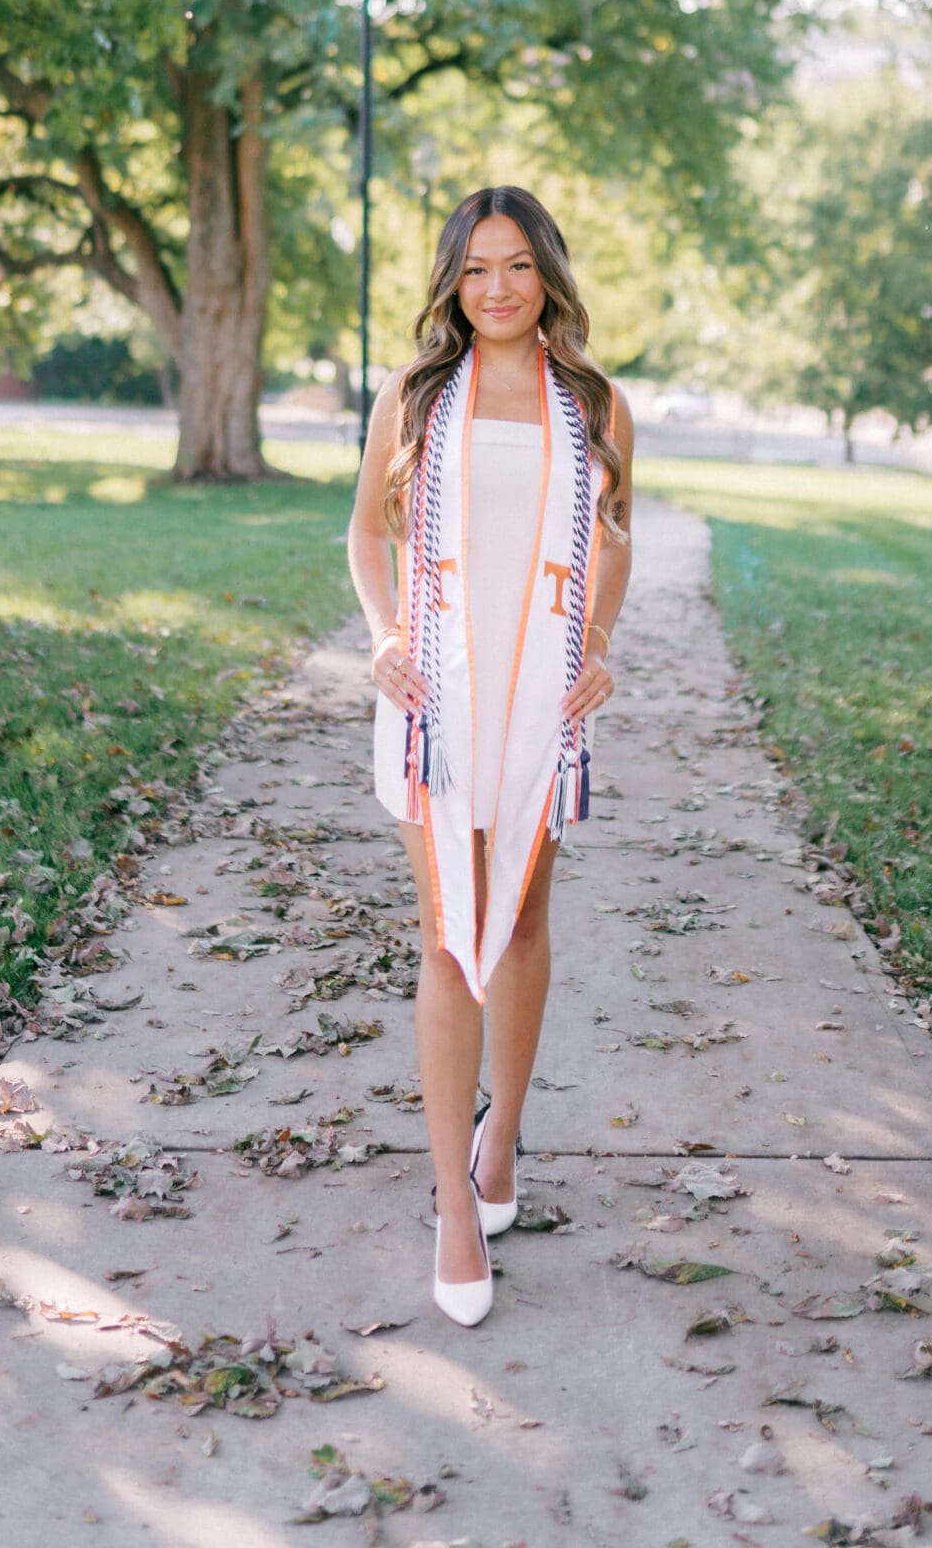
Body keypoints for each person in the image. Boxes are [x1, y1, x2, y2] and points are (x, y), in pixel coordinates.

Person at [348, 186, 634, 1325]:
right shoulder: (415, 395)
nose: (498, 288)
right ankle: (452, 1207)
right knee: (443, 931)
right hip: (437, 691)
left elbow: (614, 539)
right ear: (450, 282)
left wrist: (602, 638)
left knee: (515, 919)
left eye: (517, 266)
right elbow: (370, 527)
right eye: (475, 269)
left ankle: (499, 1135)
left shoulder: (597, 404)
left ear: (548, 274)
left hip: (546, 697)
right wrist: (379, 631)